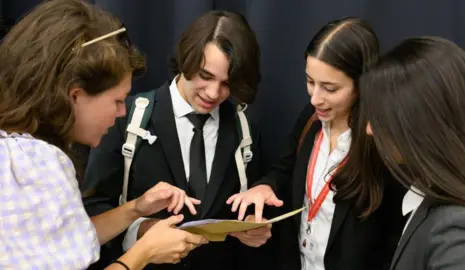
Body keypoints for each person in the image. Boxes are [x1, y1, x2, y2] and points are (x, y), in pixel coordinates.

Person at [0, 0, 209, 269]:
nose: (122, 112)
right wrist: (144, 252)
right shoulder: (37, 162)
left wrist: (135, 208)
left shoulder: (13, 150)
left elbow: (61, 242)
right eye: (117, 101)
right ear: (75, 95)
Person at [83, 10, 272, 270]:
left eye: (227, 84)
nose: (214, 93)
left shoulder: (244, 126)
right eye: (205, 76)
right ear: (186, 59)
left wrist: (253, 222)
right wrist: (143, 231)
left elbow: (252, 195)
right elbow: (91, 211)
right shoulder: (125, 117)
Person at [227, 17, 407, 270]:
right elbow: (286, 168)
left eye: (330, 88)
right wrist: (265, 186)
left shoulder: (383, 142)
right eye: (310, 82)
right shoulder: (311, 119)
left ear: (362, 83)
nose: (315, 98)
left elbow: (395, 239)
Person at [361, 36, 465, 270]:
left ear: (418, 124)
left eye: (379, 118)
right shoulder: (436, 189)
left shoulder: (456, 227)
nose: (368, 129)